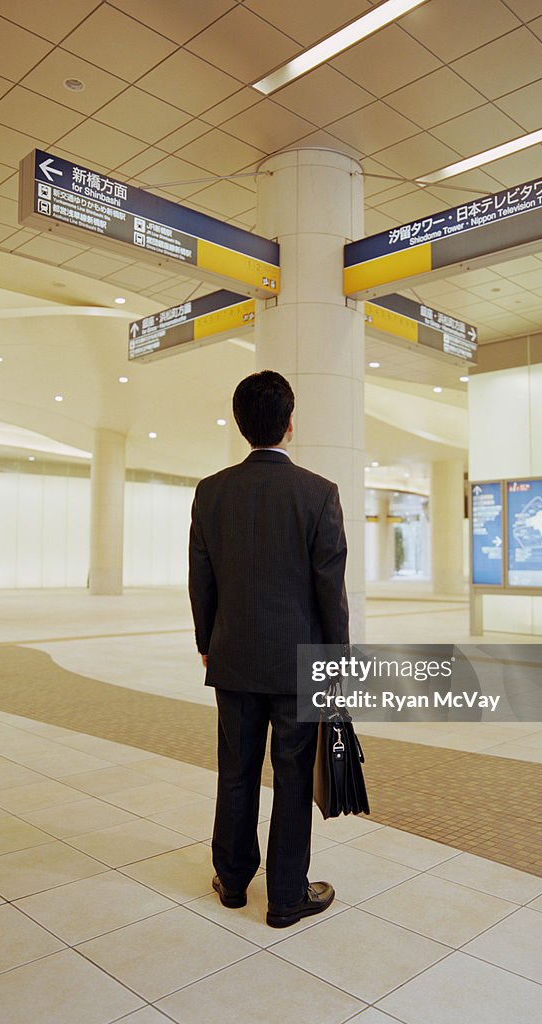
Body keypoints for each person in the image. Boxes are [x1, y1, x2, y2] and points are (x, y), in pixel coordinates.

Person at [188, 369, 349, 928]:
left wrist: (208, 642)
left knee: (235, 769)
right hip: (298, 664)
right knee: (292, 773)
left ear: (242, 425)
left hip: (232, 657)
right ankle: (285, 895)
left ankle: (232, 881)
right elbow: (331, 589)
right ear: (288, 423)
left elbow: (200, 579)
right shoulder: (318, 493)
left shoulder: (211, 491)